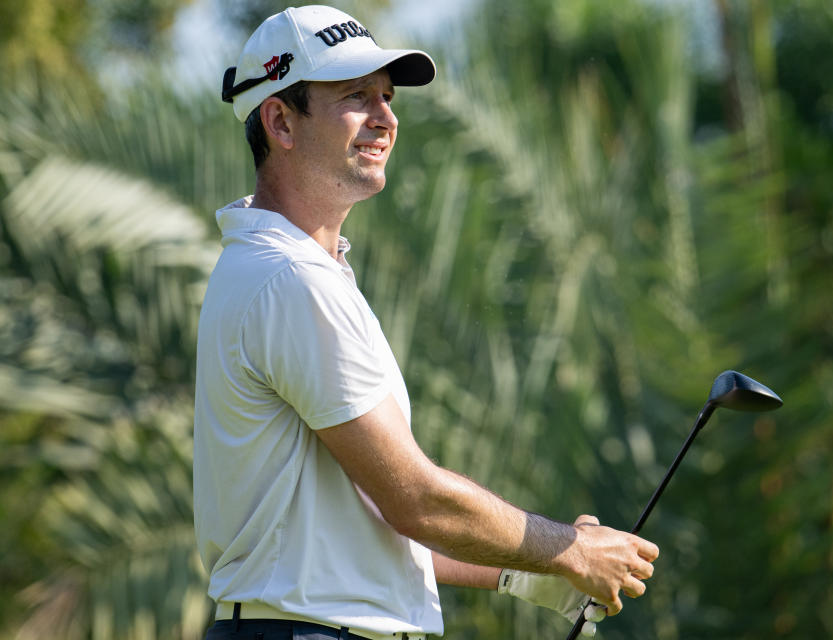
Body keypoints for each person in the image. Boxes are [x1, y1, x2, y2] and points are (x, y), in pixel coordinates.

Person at [193, 6, 659, 640]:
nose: (385, 118)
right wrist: (569, 550)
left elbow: (372, 522)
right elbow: (414, 498)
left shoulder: (297, 273)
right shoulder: (290, 281)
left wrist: (527, 571)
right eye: (356, 96)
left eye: (387, 97)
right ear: (280, 121)